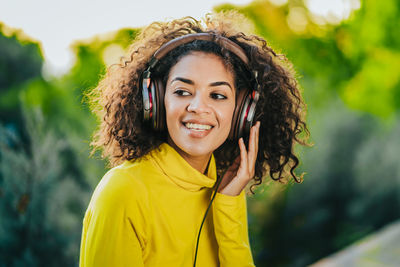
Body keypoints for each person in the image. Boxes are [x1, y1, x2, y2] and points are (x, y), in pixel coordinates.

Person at [79, 11, 308, 267]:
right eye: (183, 92)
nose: (198, 107)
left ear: (242, 112)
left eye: (218, 95)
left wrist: (228, 205)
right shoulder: (123, 193)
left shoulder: (225, 193)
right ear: (155, 102)